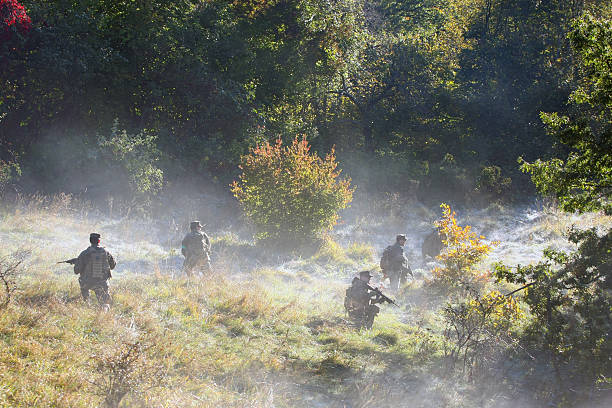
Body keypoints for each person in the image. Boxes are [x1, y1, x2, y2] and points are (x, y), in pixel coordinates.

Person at [74, 233, 116, 309]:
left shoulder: (84, 253)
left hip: (87, 283)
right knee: (104, 302)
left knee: (84, 287)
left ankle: (87, 303)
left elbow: (76, 271)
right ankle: (104, 311)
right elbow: (113, 266)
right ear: (99, 241)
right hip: (102, 283)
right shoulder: (106, 252)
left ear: (90, 241)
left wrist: (77, 263)